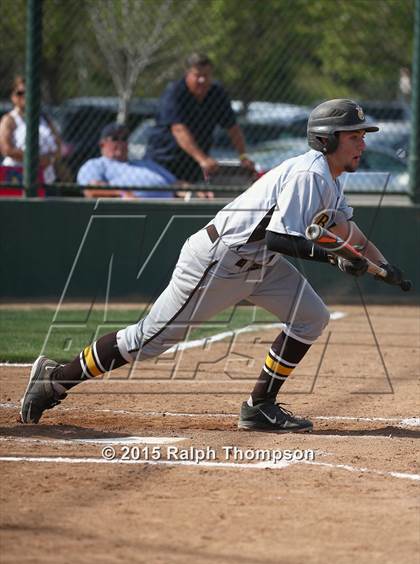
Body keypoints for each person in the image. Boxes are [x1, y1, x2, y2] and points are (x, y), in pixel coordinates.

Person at [19, 99, 406, 431]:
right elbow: (280, 238)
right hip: (220, 260)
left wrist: (384, 265)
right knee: (147, 341)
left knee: (311, 317)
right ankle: (55, 380)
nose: (362, 143)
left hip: (259, 264)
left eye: (362, 135)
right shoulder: (310, 174)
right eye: (355, 136)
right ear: (328, 138)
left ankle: (259, 407)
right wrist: (335, 256)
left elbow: (345, 228)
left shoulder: (332, 178)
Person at [144, 52, 256, 186]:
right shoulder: (174, 92)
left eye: (206, 76)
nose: (202, 80)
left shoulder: (216, 93)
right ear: (187, 74)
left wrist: (243, 157)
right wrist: (202, 159)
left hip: (193, 166)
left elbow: (232, 127)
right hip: (164, 163)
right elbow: (178, 129)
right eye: (197, 76)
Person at [77, 122, 177, 198]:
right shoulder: (96, 164)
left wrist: (189, 192)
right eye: (115, 138)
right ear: (102, 144)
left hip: (170, 207)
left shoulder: (146, 163)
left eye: (124, 138)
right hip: (132, 211)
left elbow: (176, 184)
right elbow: (91, 190)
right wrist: (123, 194)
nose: (121, 143)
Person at [0, 75, 61, 184]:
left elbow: (58, 146)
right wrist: (35, 160)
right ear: (13, 97)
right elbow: (6, 149)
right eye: (20, 93)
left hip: (45, 177)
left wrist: (50, 159)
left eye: (29, 92)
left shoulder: (45, 119)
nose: (25, 96)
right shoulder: (9, 119)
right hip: (16, 176)